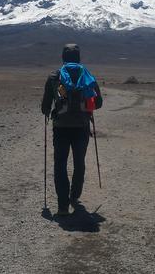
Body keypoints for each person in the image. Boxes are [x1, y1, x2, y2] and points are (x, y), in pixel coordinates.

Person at [41, 44, 103, 216]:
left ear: (63, 57)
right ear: (79, 57)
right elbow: (98, 103)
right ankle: (74, 197)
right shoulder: (87, 76)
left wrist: (50, 110)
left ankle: (62, 206)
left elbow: (45, 106)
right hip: (82, 127)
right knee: (79, 163)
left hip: (61, 127)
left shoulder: (55, 77)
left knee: (60, 164)